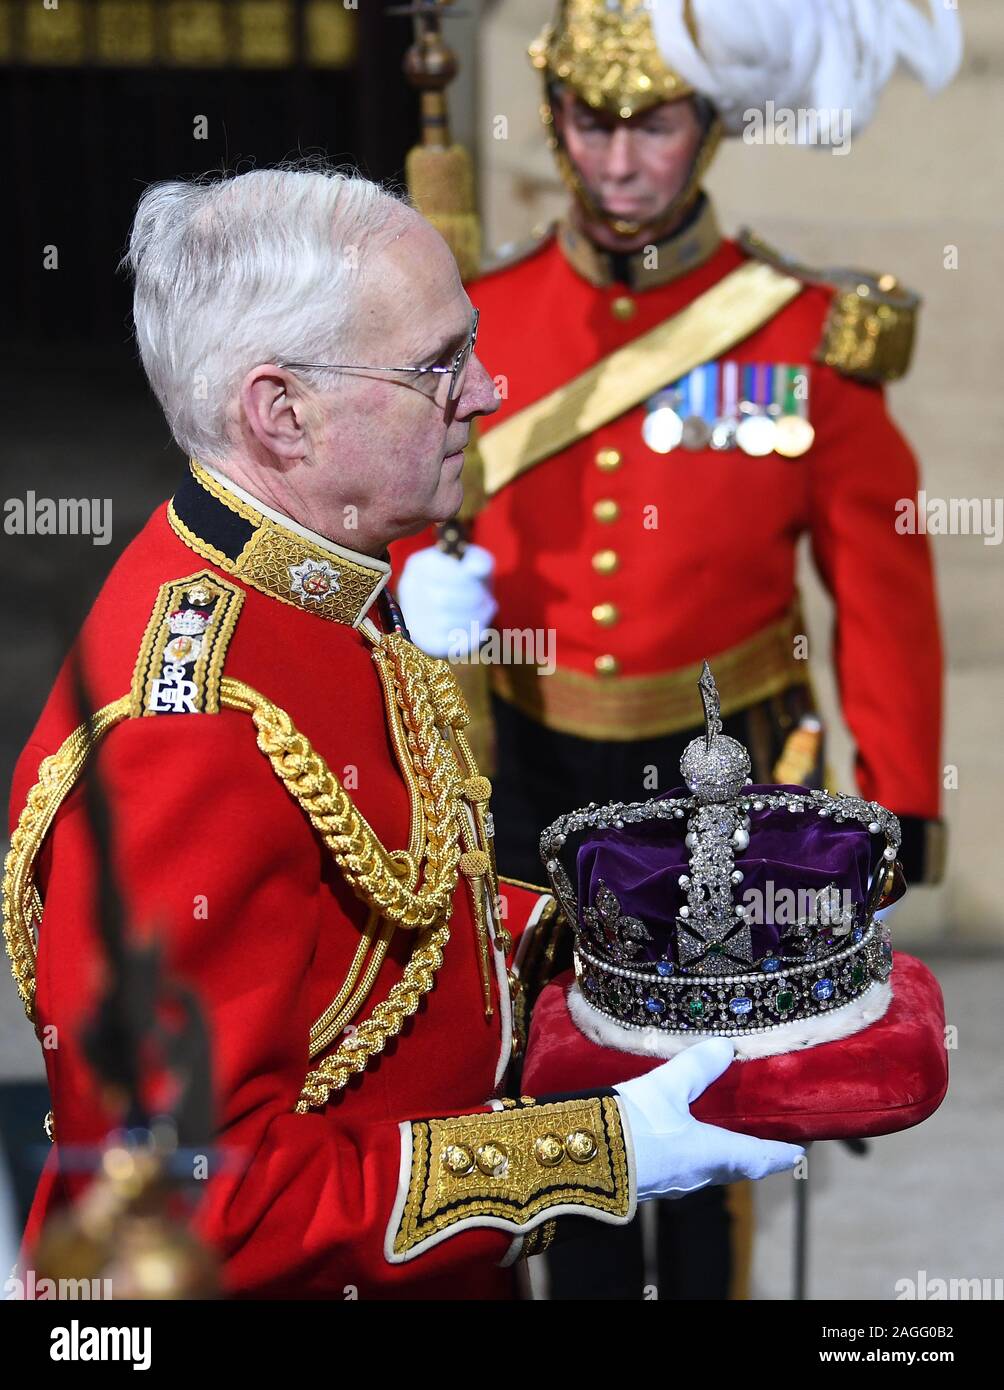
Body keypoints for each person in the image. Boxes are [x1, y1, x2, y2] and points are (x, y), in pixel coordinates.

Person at [3, 166, 802, 1300]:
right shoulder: (182, 732)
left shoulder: (322, 578)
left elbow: (399, 925)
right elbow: (194, 1207)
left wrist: (642, 944)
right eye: (436, 365)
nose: (484, 391)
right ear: (281, 413)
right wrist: (593, 1155)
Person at [394, 0, 960, 1299]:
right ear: (555, 122)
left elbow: (882, 579)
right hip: (531, 758)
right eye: (591, 123)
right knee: (569, 1079)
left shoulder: (803, 330)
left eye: (651, 123)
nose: (618, 159)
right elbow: (401, 508)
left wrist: (906, 793)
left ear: (705, 129)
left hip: (731, 770)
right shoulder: (485, 311)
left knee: (721, 1107)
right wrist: (421, 583)